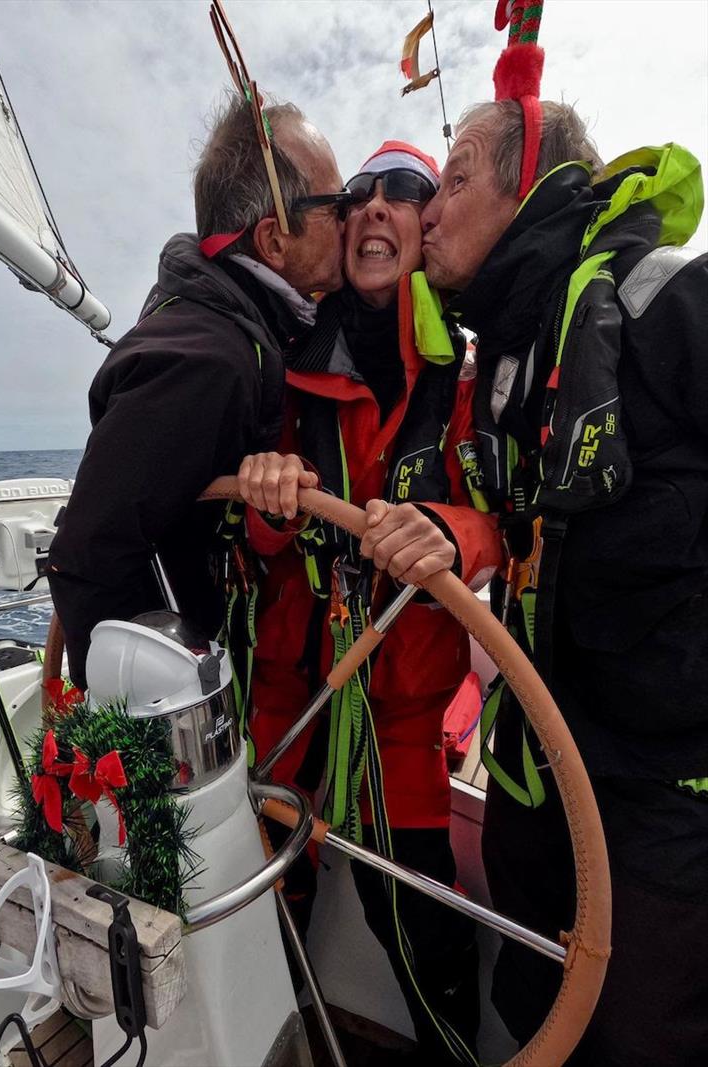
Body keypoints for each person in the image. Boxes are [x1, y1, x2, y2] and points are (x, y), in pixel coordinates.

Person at [419, 100, 708, 1065]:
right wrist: (477, 533)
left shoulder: (663, 301)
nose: (427, 209)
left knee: (637, 1037)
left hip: (668, 807)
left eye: (456, 179)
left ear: (529, 185)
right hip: (543, 769)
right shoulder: (508, 365)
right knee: (534, 992)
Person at [239, 142, 503, 1064]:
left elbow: (498, 521)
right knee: (268, 896)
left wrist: (448, 530)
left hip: (402, 702)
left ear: (424, 229)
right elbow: (254, 537)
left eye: (408, 193)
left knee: (421, 918)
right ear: (345, 225)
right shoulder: (285, 363)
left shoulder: (464, 374)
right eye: (362, 194)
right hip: (292, 685)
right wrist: (266, 493)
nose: (381, 207)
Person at [48, 96, 349, 688]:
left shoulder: (228, 322)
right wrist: (157, 747)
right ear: (274, 241)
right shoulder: (210, 360)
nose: (352, 216)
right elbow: (88, 560)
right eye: (336, 205)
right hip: (176, 701)